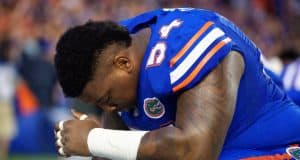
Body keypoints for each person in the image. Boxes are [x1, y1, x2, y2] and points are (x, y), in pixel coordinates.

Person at [54, 8, 300, 160]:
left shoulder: (187, 41)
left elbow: (195, 152)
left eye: (106, 98)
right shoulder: (119, 50)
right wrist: (90, 143)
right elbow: (120, 147)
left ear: (123, 64)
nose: (108, 109)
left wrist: (94, 140)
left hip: (271, 148)